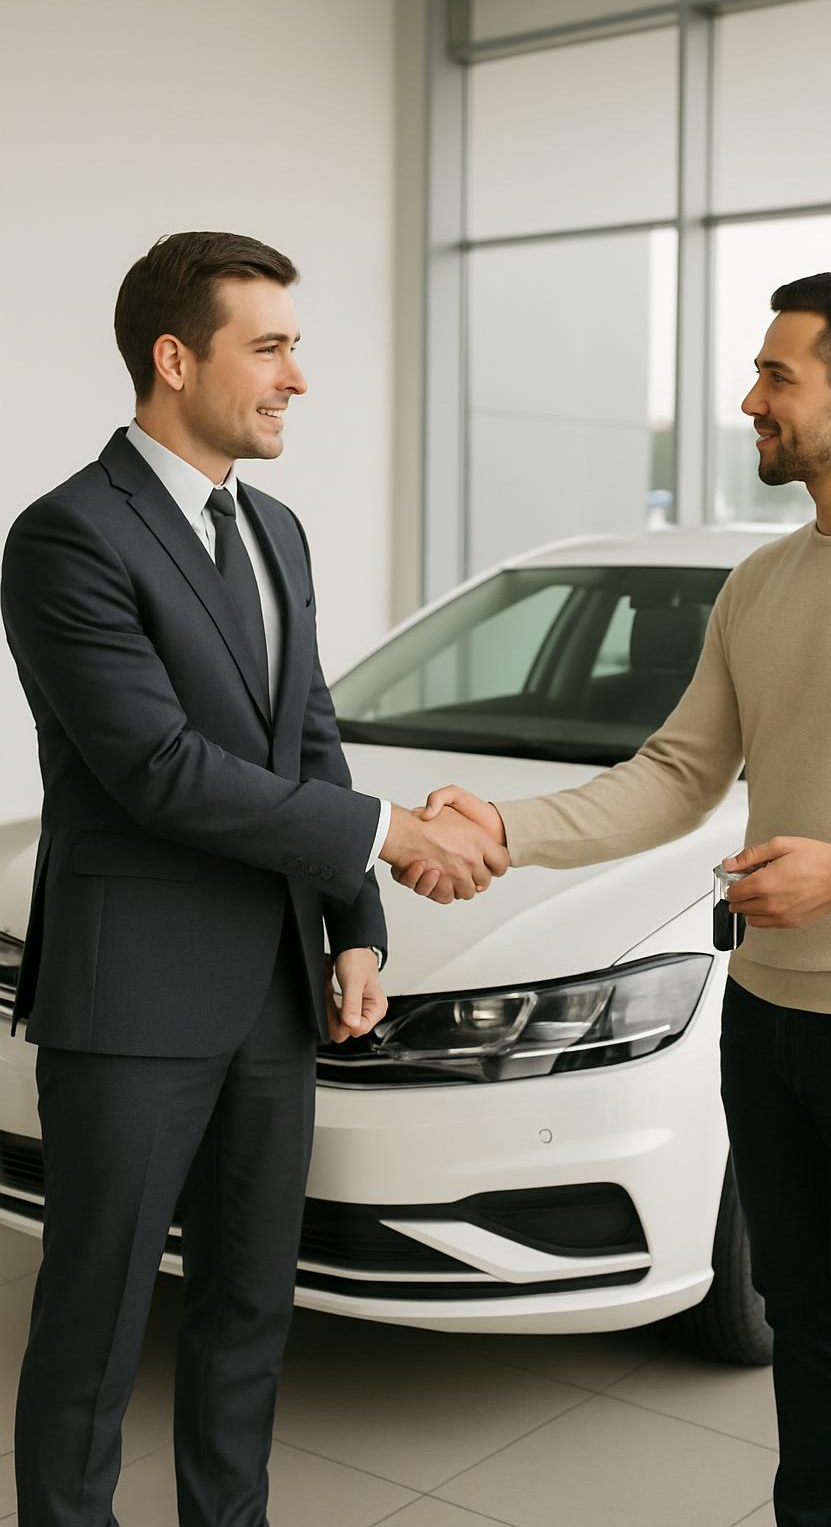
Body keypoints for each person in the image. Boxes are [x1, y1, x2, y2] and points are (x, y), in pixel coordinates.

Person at [403, 272, 831, 1527]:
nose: (748, 401)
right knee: (806, 1327)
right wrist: (504, 831)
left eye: (774, 376)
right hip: (765, 1014)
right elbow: (677, 777)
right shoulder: (760, 584)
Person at [1, 230, 506, 1527]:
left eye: (298, 347)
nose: (298, 378)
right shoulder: (64, 538)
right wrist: (393, 833)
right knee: (97, 1329)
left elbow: (309, 734)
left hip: (276, 996)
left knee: (246, 1314)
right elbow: (160, 770)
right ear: (176, 360)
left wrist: (355, 925)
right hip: (132, 1008)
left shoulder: (275, 529)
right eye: (269, 346)